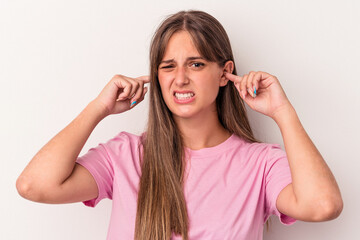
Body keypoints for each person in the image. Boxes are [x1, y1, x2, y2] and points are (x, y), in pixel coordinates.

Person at [16, 10, 343, 240]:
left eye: (196, 64)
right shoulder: (126, 156)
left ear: (224, 72)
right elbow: (35, 186)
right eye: (168, 66)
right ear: (156, 76)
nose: (180, 79)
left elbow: (323, 206)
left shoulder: (260, 164)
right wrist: (98, 108)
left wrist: (283, 112)